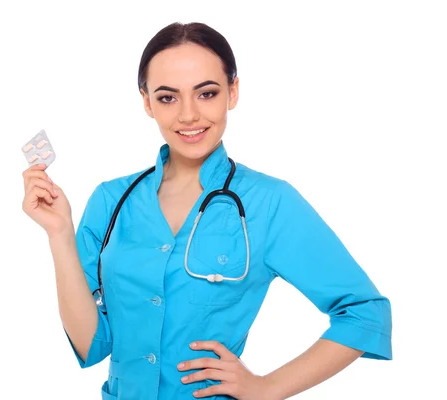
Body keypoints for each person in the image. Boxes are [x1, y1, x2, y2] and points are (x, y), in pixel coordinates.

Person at [22, 21, 392, 400]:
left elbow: (365, 313)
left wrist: (267, 388)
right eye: (167, 97)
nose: (188, 116)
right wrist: (60, 235)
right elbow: (91, 346)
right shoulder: (110, 200)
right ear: (147, 102)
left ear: (232, 92)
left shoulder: (269, 203)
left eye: (206, 93)